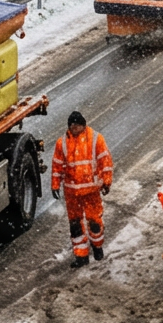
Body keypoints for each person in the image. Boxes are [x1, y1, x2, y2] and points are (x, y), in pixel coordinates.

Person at [52, 111, 114, 264]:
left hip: (91, 191)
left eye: (77, 126)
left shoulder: (95, 139)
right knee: (75, 226)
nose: (75, 129)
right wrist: (55, 184)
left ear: (83, 125)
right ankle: (81, 256)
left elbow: (105, 161)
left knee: (94, 222)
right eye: (72, 126)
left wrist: (106, 181)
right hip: (72, 193)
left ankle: (97, 248)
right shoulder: (62, 143)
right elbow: (57, 166)